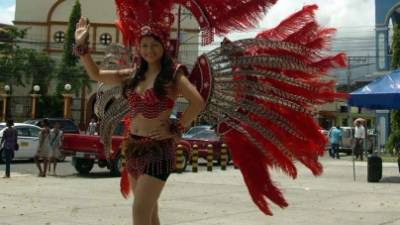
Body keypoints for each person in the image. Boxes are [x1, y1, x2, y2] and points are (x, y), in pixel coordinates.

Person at [75, 12, 205, 224]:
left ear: (164, 46)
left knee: (140, 212)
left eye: (154, 45)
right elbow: (96, 74)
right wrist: (82, 46)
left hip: (159, 151)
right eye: (144, 45)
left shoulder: (173, 74)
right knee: (150, 214)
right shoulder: (134, 74)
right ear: (139, 48)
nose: (149, 50)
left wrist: (175, 128)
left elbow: (197, 102)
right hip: (134, 148)